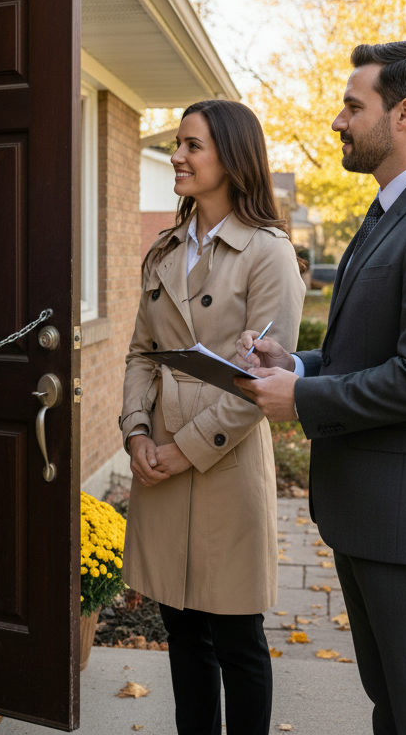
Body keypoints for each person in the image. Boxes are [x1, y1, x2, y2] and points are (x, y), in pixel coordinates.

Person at [236, 41, 406, 735]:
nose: (338, 121)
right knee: (395, 707)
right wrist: (295, 366)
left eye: (354, 106)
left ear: (405, 113)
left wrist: (302, 402)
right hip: (369, 516)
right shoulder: (389, 213)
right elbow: (368, 353)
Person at [119, 100, 305, 735]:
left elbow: (263, 378)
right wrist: (137, 432)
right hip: (161, 460)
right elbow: (140, 352)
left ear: (231, 157)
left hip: (224, 464)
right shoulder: (164, 249)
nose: (177, 155)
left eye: (192, 145)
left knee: (237, 637)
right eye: (178, 143)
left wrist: (185, 448)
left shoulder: (269, 252)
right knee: (182, 631)